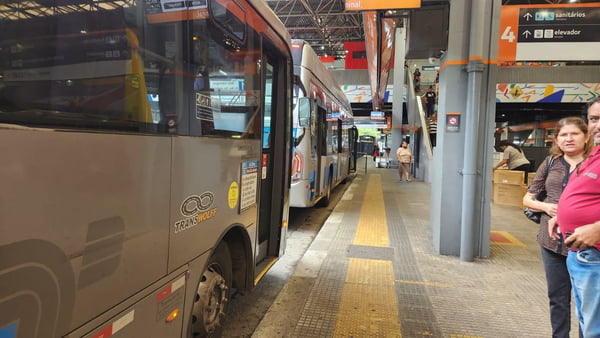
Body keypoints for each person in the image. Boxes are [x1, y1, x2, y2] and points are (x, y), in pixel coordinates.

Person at [522, 116, 590, 338]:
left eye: (574, 134)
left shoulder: (593, 164)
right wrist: (546, 207)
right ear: (557, 140)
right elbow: (528, 198)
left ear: (586, 136)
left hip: (586, 243)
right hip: (551, 242)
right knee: (557, 297)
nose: (568, 139)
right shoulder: (552, 162)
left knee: (587, 300)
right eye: (563, 135)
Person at [549, 97, 600, 337]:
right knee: (587, 322)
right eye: (594, 119)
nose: (598, 125)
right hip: (580, 253)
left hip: (595, 252)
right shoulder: (596, 153)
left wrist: (598, 228)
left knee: (594, 328)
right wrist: (560, 214)